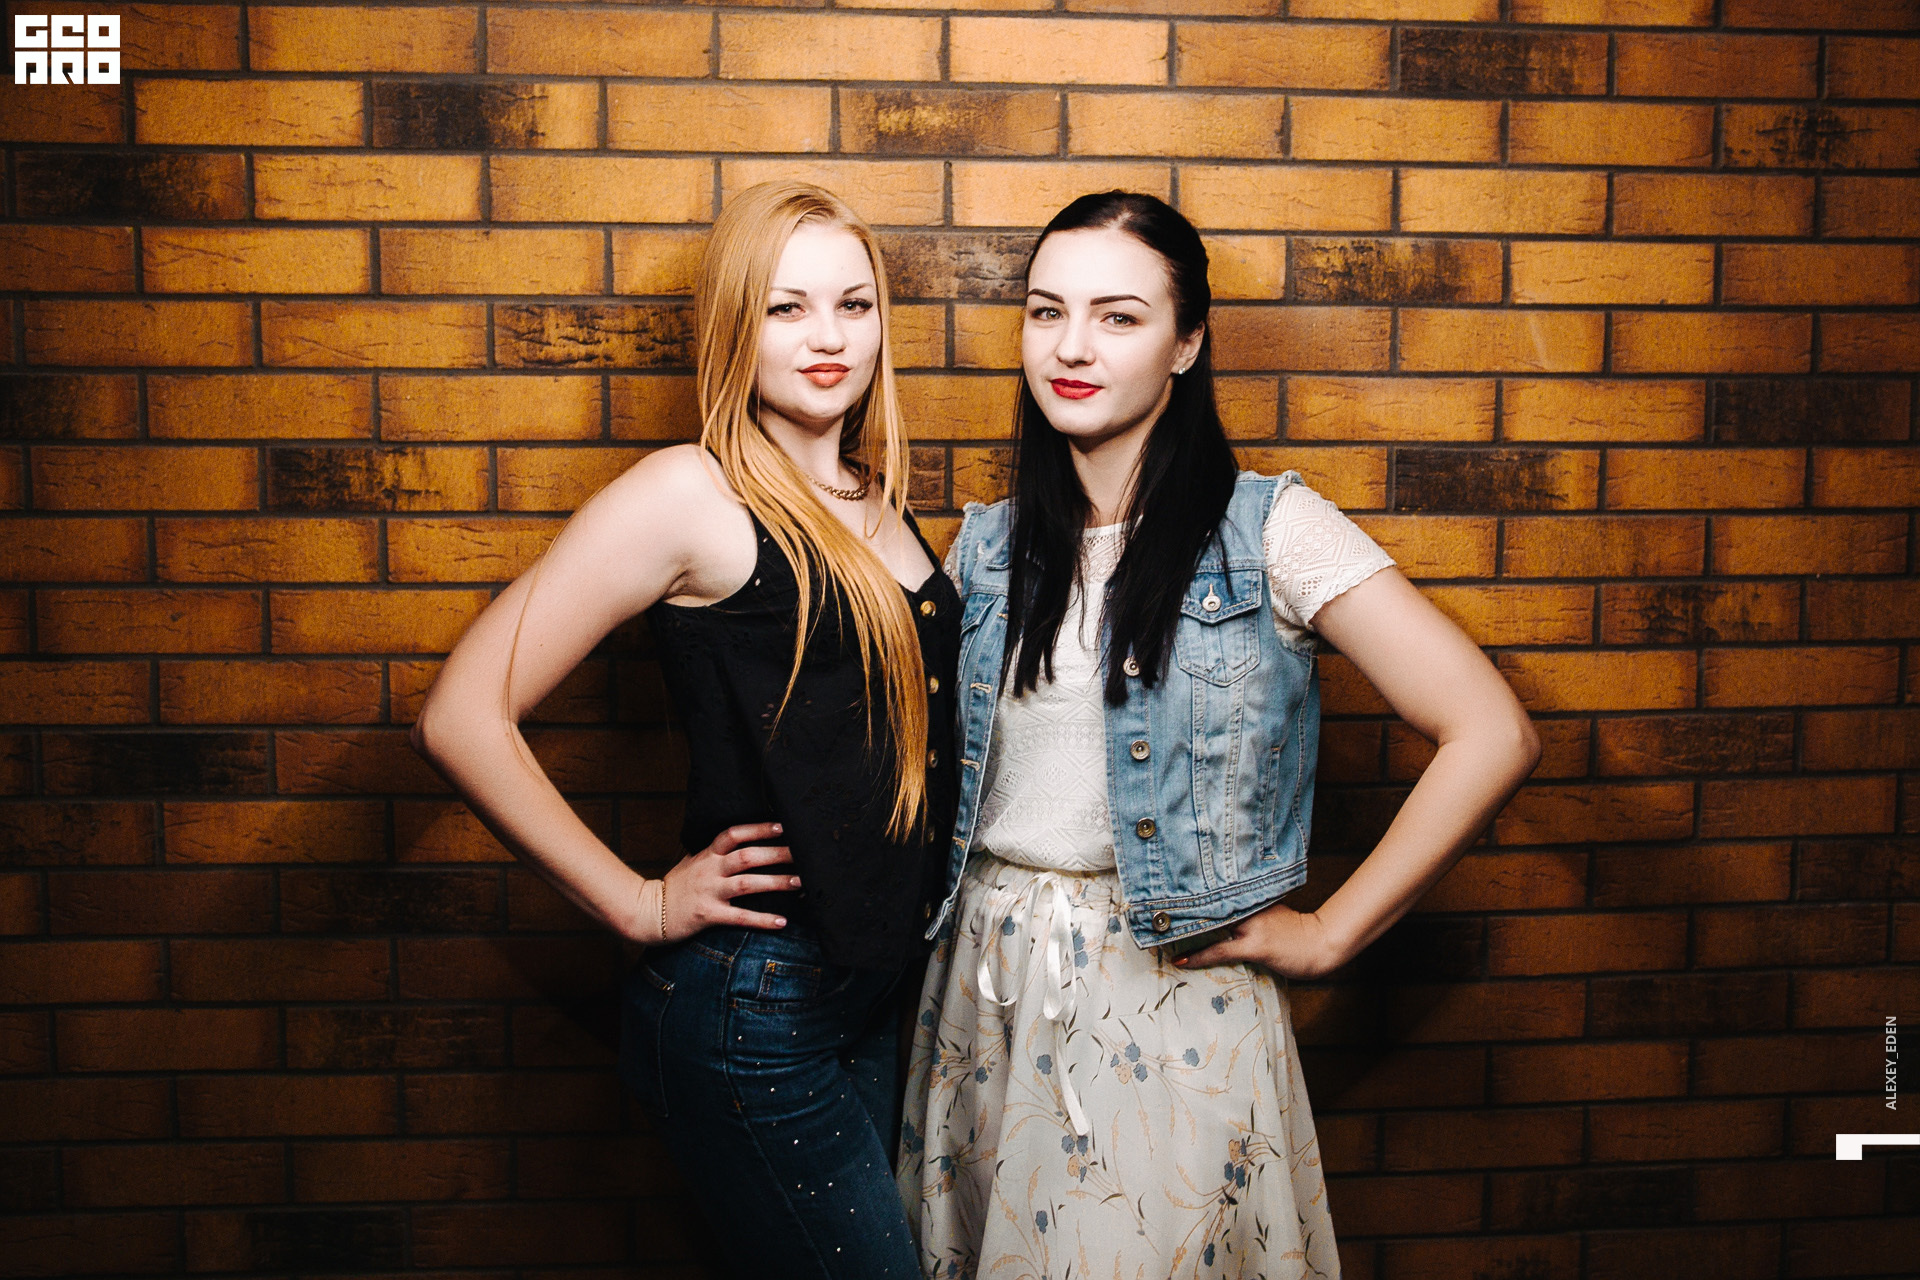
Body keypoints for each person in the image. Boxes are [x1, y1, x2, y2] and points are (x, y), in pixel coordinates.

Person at [897, 191, 1541, 1279]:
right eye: (1047, 312)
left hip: (1166, 990)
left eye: (1118, 316)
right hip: (981, 986)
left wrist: (1329, 934)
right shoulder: (986, 547)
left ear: (1187, 342)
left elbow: (1490, 731)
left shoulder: (1269, 530)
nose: (1071, 347)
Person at [412, 181, 957, 1279]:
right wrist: (639, 901)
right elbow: (462, 715)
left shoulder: (874, 497)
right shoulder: (688, 494)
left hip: (867, 993)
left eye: (853, 304)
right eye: (787, 306)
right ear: (735, 322)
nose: (828, 336)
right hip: (758, 1002)